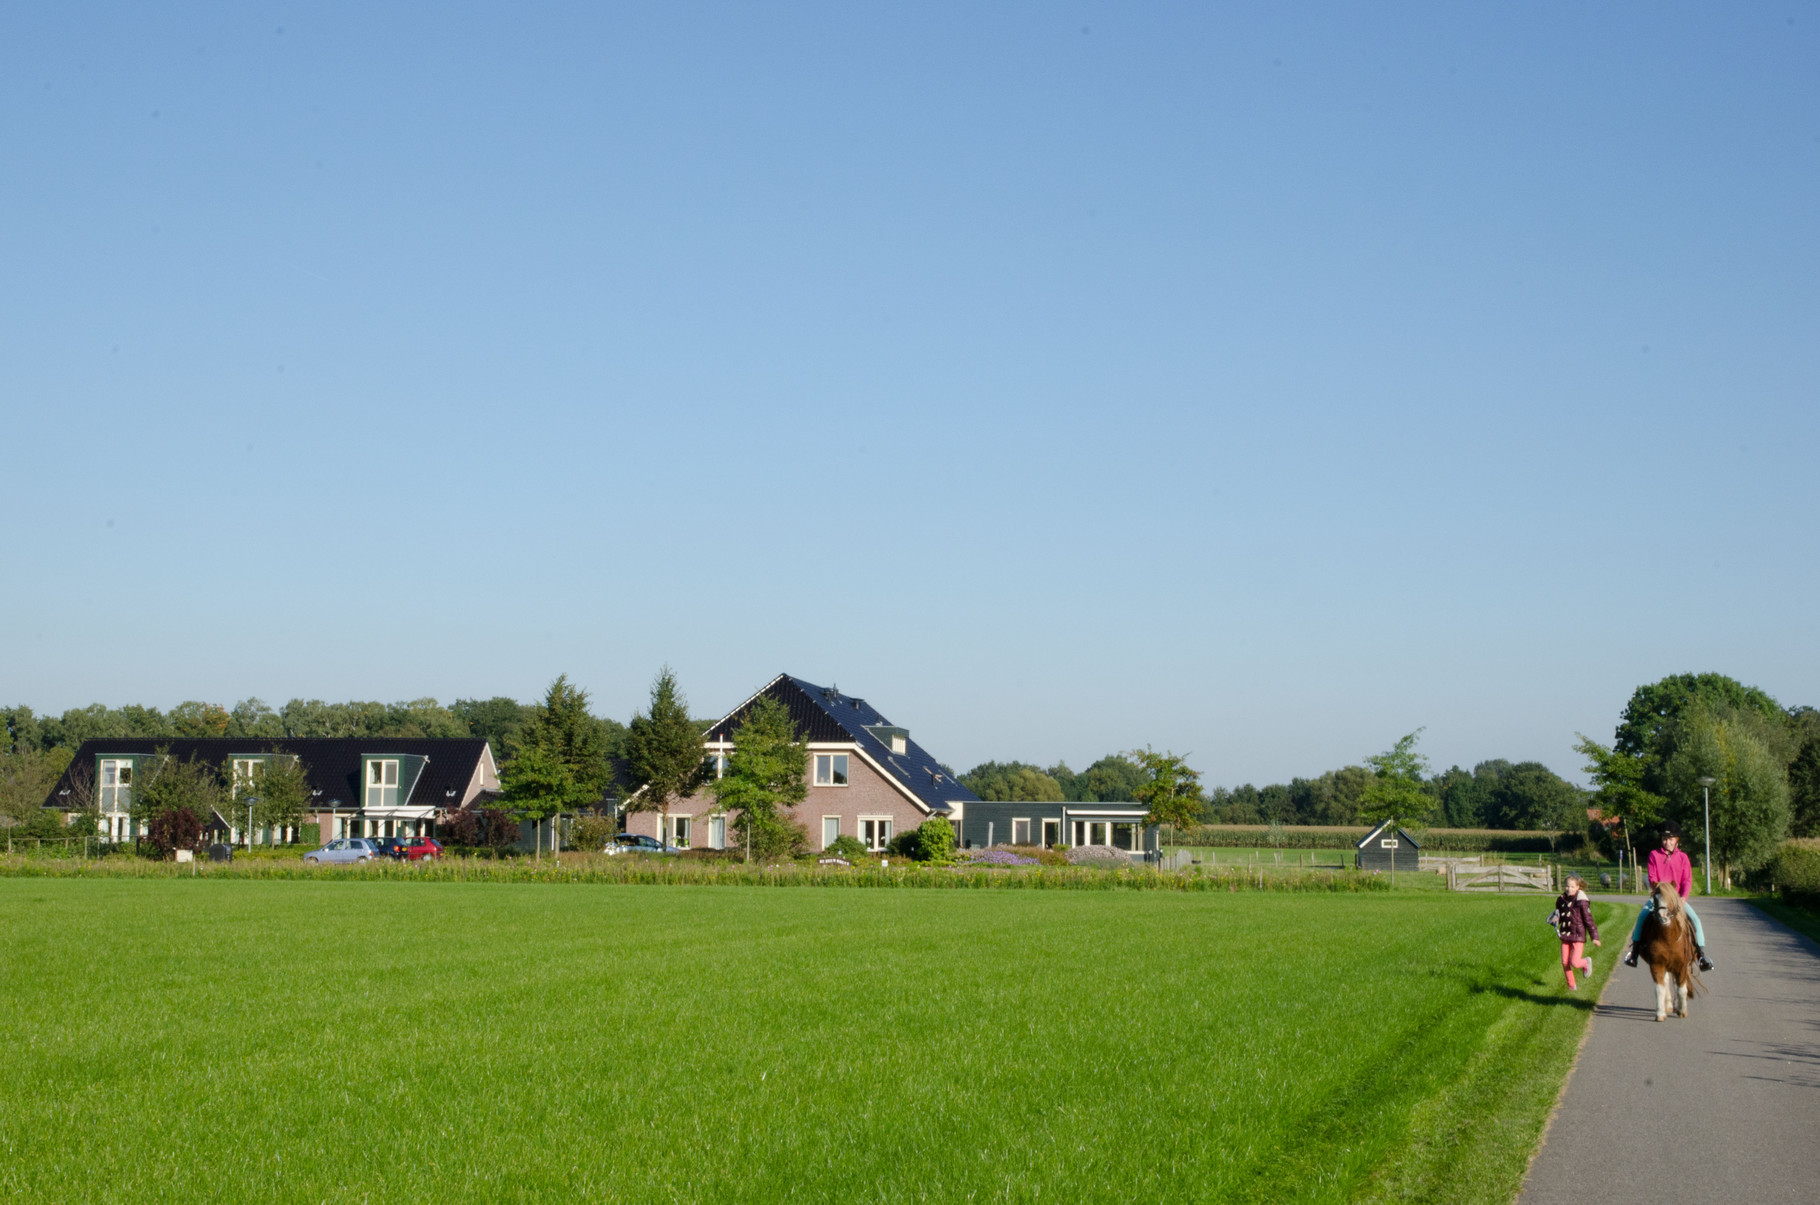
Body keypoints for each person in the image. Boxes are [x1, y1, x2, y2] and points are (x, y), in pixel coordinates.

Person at [1622, 823, 1714, 971]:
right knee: (1642, 916)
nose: (1667, 842)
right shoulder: (1654, 855)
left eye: (1671, 839)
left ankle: (1701, 956)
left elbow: (1687, 880)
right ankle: (1634, 953)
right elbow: (1652, 877)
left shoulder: (1683, 857)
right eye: (1664, 839)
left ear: (1677, 840)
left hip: (1677, 898)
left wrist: (1683, 898)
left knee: (1696, 920)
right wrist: (1658, 891)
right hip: (1658, 897)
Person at [1550, 874, 1600, 990]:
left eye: (1572, 887)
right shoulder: (1561, 900)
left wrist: (1595, 937)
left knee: (1575, 962)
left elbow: (1589, 920)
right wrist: (1556, 920)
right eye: (1567, 886)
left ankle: (1586, 962)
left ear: (1578, 887)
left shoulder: (1581, 901)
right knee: (1564, 961)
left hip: (1578, 935)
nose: (1569, 889)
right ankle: (1572, 985)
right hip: (1565, 935)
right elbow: (1560, 916)